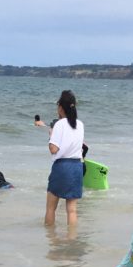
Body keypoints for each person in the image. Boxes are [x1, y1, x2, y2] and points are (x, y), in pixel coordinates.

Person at [45, 90, 84, 227]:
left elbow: (53, 149)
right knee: (72, 210)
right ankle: (71, 239)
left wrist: (51, 136)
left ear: (61, 107)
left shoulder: (59, 125)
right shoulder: (80, 124)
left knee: (51, 208)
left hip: (62, 167)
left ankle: (50, 239)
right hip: (77, 167)